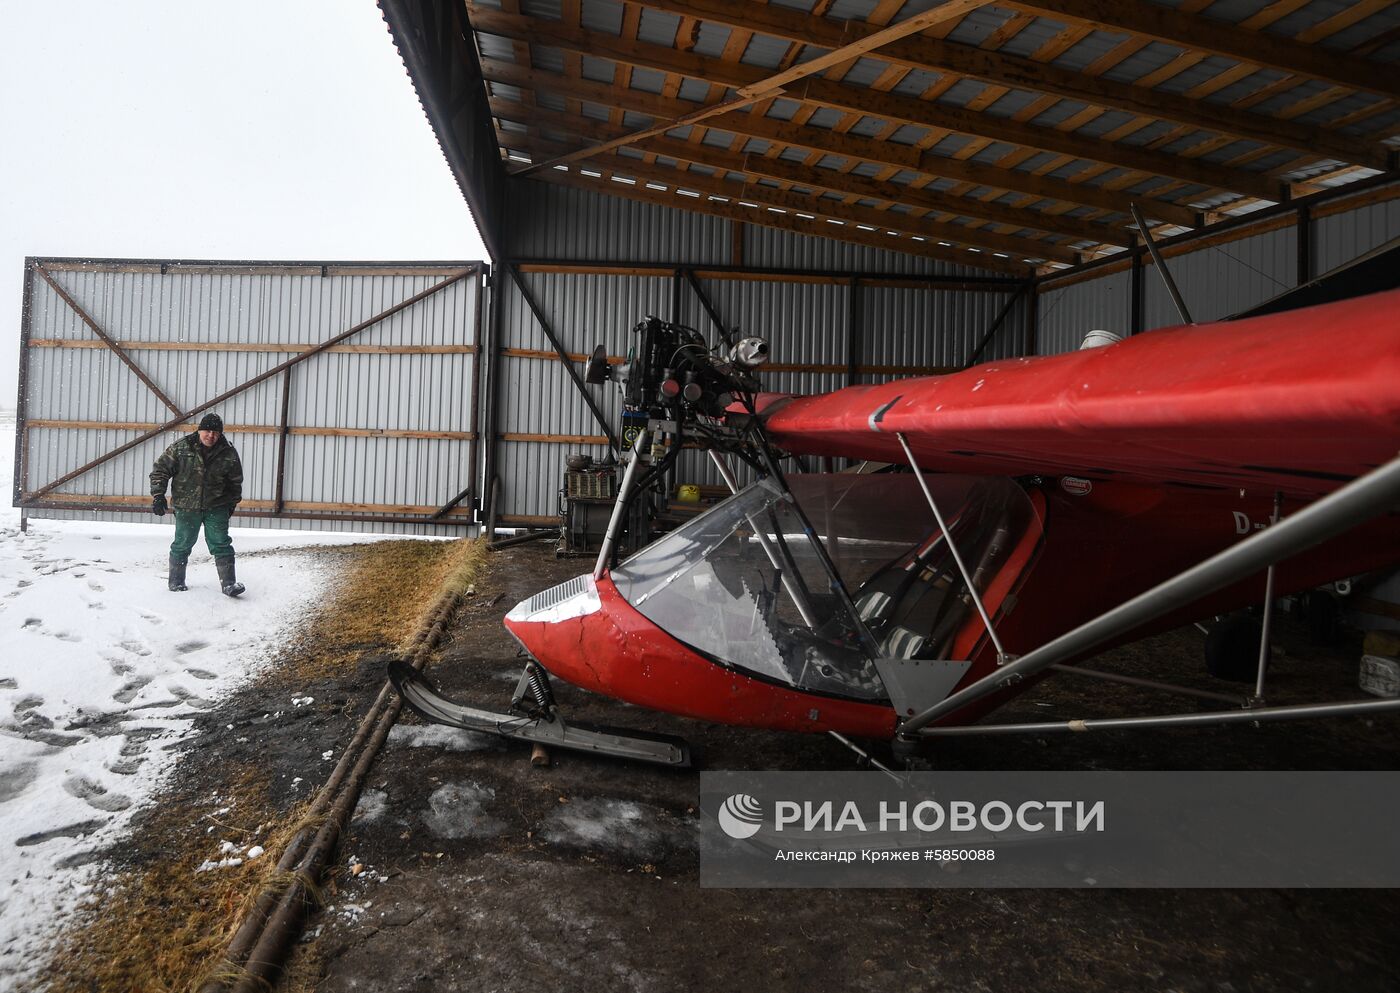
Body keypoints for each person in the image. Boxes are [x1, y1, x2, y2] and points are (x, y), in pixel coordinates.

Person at [149, 412, 246, 596]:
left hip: (217, 506)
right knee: (182, 543)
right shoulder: (181, 448)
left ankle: (229, 584)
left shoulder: (228, 452)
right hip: (187, 507)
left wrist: (230, 506)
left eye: (216, 432)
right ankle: (176, 582)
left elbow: (235, 482)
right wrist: (158, 495)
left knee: (221, 543)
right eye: (208, 431)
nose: (211, 435)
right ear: (200, 430)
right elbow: (160, 470)